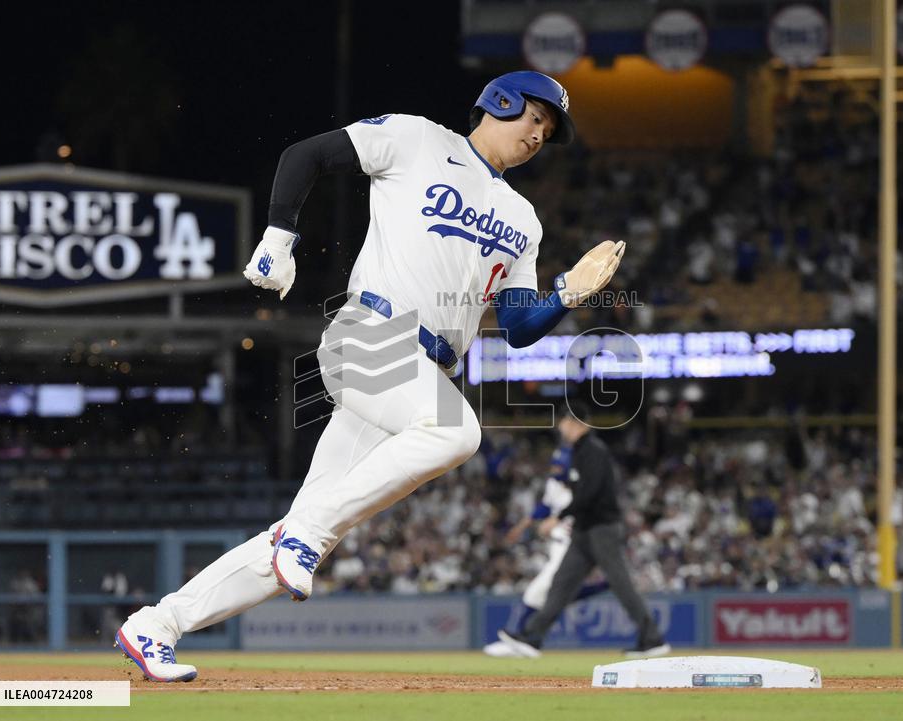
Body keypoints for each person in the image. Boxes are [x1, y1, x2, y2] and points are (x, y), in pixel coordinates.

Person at [113, 70, 626, 682]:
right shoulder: (417, 139)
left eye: (548, 129)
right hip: (369, 336)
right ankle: (302, 536)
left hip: (416, 374)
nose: (539, 134)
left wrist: (567, 291)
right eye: (535, 117)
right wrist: (281, 235)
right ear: (501, 101)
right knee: (457, 433)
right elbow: (307, 155)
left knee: (298, 537)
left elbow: (516, 326)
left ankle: (157, 625)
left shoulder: (523, 218)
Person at [497, 402, 671, 659]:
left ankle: (652, 638)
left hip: (602, 528)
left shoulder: (593, 450)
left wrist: (559, 517)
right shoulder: (579, 451)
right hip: (583, 530)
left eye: (563, 422)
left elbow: (590, 493)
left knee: (621, 585)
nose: (560, 427)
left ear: (574, 422)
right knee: (561, 584)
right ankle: (532, 637)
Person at [482, 443, 608, 657]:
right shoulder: (554, 484)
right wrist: (522, 526)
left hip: (573, 548)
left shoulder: (583, 490)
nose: (555, 470)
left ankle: (523, 640)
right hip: (558, 547)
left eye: (559, 467)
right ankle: (526, 641)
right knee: (555, 595)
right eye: (554, 466)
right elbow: (545, 507)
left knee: (538, 592)